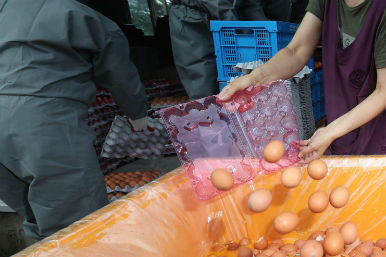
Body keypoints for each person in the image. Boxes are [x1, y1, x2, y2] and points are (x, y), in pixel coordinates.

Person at [0, 0, 149, 243]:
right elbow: (118, 71)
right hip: (42, 123)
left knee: (36, 217)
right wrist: (137, 112)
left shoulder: (6, 8)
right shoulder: (78, 15)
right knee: (80, 226)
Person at [219, 0, 386, 161]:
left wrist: (329, 132)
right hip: (343, 132)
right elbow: (296, 52)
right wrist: (253, 79)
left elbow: (385, 92)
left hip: (383, 142)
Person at [169, 0, 237, 99]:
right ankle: (209, 112)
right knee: (203, 87)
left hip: (213, 15)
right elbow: (219, 5)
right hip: (190, 19)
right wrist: (241, 31)